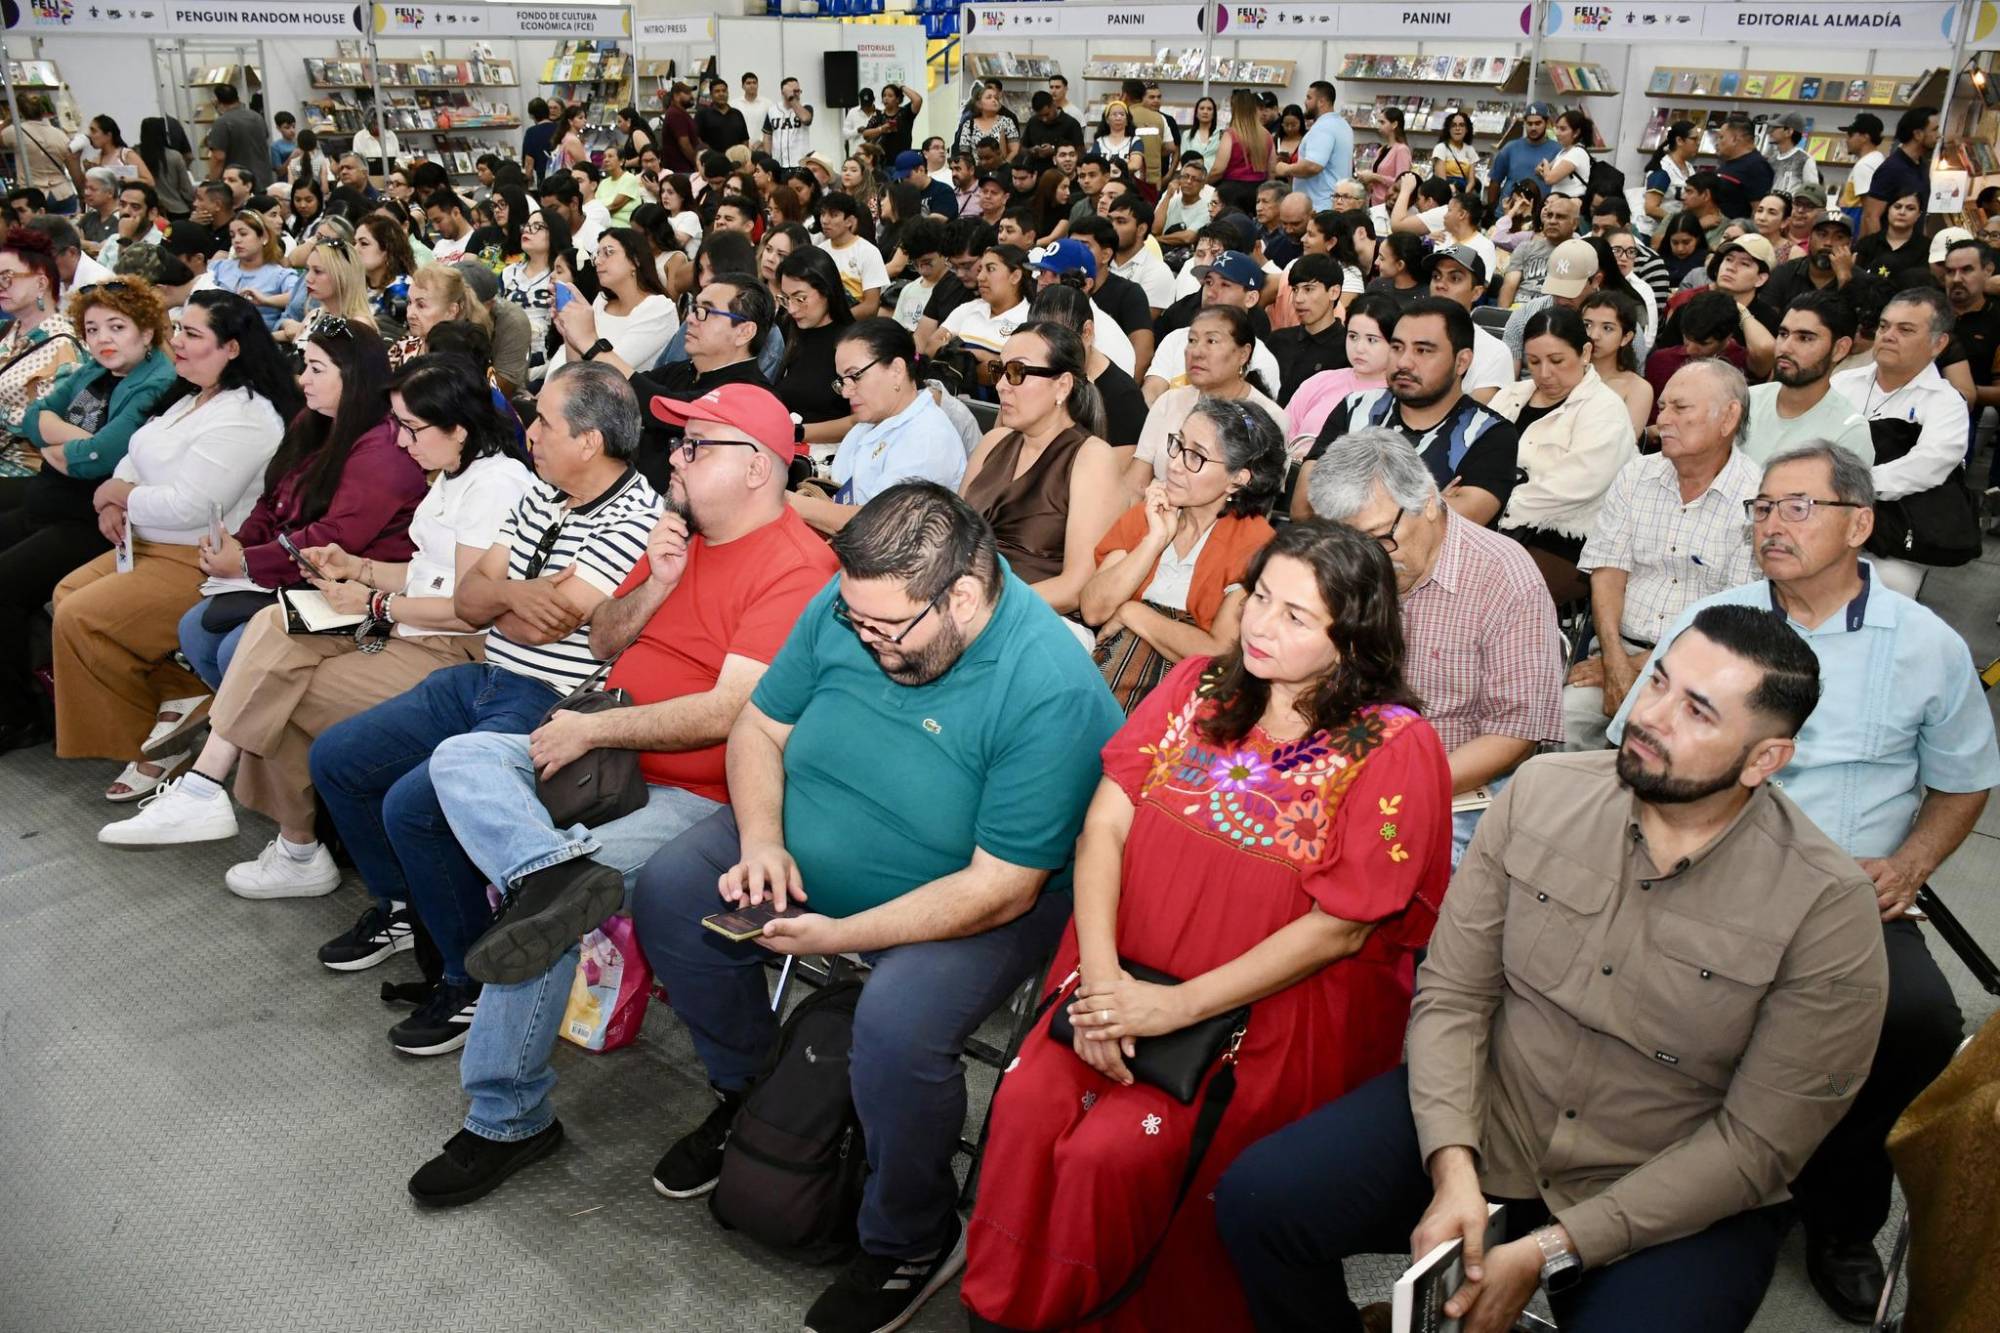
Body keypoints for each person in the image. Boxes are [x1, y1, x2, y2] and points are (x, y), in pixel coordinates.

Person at [1221, 600, 1890, 1333]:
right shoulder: (1543, 793)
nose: (1652, 715)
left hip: (1667, 1176)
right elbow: (1453, 994)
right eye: (1657, 681)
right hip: (1495, 1112)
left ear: (1765, 759)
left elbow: (1756, 1145)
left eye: (1698, 711)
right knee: (1260, 1200)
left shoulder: (1827, 908)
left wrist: (1550, 1247)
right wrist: (1451, 1167)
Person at [635, 482, 1121, 1333]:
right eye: (855, 620)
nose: (865, 639)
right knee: (674, 892)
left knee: (895, 1026)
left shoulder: (1052, 688)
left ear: (963, 596)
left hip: (972, 897)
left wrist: (841, 934)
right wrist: (760, 841)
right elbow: (759, 729)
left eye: (886, 630)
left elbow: (996, 886)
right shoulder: (859, 598)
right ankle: (758, 1095)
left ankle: (910, 1233)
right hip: (806, 839)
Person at [968, 516, 1451, 1330]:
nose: (1261, 624)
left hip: (1263, 1020)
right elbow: (1103, 831)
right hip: (1111, 977)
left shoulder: (1392, 746)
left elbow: (1340, 927)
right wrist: (1102, 983)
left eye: (1297, 616)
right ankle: (1008, 1310)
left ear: (1352, 638)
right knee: (1021, 1114)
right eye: (1261, 596)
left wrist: (1175, 1008)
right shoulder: (1199, 684)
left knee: (1116, 1154)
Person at [1609, 444, 1997, 1322]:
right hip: (1701, 872)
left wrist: (1912, 864)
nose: (1771, 525)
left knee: (1916, 1019)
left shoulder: (1923, 644)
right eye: (1762, 507)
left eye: (1797, 507)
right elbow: (1638, 745)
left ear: (1859, 524)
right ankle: (1657, 1187)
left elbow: (1965, 776)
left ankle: (1839, 1215)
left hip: (1846, 896)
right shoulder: (1716, 622)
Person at [307, 361, 660, 1053]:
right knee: (338, 759)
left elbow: (547, 624)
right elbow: (473, 603)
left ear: (589, 441)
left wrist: (504, 597)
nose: (528, 433)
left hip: (552, 700)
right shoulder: (545, 495)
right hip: (484, 677)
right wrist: (509, 598)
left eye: (545, 424)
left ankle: (471, 982)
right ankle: (406, 911)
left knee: (414, 804)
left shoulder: (636, 515)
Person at [96, 318, 431, 840]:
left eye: (317, 368)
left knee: (235, 647)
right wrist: (239, 548)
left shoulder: (384, 448)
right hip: (294, 578)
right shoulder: (311, 424)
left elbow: (333, 536)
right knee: (196, 629)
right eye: (304, 365)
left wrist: (248, 563)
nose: (303, 379)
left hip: (345, 588)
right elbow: (272, 504)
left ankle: (275, 804)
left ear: (353, 376)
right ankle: (262, 780)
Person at [48, 291, 301, 796]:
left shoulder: (247, 415)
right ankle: (183, 695)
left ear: (231, 348)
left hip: (200, 559)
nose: (177, 342)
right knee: (63, 599)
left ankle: (151, 748)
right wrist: (114, 501)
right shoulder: (189, 398)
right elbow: (138, 457)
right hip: (145, 543)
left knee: (83, 618)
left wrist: (120, 494)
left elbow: (193, 505)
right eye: (177, 330)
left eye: (191, 334)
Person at [1307, 425, 1560, 862]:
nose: (1369, 559)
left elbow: (1515, 735)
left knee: (1381, 868)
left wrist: (1399, 785)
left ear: (1427, 500)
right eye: (1350, 543)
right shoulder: (1349, 563)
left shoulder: (1505, 579)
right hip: (1344, 762)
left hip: (1452, 783)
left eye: (1380, 539)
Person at [0, 276, 177, 751]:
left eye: (117, 327)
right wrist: (70, 446)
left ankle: (19, 715)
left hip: (94, 522)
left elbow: (106, 454)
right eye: (93, 329)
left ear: (147, 331)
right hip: (51, 499)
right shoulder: (94, 372)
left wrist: (66, 446)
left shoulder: (157, 381)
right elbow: (33, 417)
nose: (103, 340)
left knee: (4, 585)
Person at [1562, 360, 1762, 752]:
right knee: (1564, 721)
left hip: (1704, 669)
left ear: (1729, 418)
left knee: (1662, 746)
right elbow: (1607, 571)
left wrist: (1631, 670)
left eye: (1680, 408)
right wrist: (1616, 660)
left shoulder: (1756, 498)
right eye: (1663, 407)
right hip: (1618, 647)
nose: (1662, 420)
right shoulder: (1636, 475)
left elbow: (1735, 616)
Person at [1081, 398, 1283, 710]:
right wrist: (1154, 540)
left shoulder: (1256, 545)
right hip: (1111, 664)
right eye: (1178, 445)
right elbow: (1093, 609)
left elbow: (1220, 654)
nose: (1174, 464)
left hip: (1190, 693)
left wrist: (1133, 613)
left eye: (1196, 457)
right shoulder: (1148, 513)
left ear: (1237, 479)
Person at [1295, 299, 1521, 527]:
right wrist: (1426, 504)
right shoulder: (1355, 407)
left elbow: (1454, 527)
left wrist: (1344, 495)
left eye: (1422, 350)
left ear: (1461, 362)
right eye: (1397, 347)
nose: (1404, 362)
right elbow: (1303, 506)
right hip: (1333, 558)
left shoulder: (1489, 434)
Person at [959, 321, 1124, 614]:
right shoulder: (993, 442)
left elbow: (1076, 586)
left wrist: (983, 608)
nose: (1000, 386)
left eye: (1017, 373)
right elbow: (950, 537)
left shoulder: (1091, 458)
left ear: (1062, 385)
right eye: (1000, 370)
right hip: (957, 599)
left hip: (1029, 616)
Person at [1828, 287, 1968, 596]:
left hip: (1892, 533)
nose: (1888, 335)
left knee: (1888, 591)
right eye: (1883, 326)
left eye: (1905, 329)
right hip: (1823, 513)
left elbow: (1927, 465)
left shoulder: (1946, 402)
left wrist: (1846, 488)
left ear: (1938, 343)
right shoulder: (1841, 382)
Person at [1488, 306, 1638, 587]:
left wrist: (1494, 505)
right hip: (1496, 521)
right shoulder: (1511, 397)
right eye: (1533, 362)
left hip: (1569, 536)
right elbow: (1473, 452)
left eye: (1557, 361)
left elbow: (1575, 484)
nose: (1544, 373)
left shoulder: (1605, 410)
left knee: (1491, 584)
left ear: (1584, 353)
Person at [790, 319, 965, 535]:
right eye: (842, 381)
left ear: (897, 370)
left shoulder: (928, 438)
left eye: (855, 376)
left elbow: (881, 526)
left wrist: (788, 503)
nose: (846, 392)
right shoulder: (869, 423)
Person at [1131, 303, 1287, 492]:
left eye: (1211, 341)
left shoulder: (1269, 419)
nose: (1196, 352)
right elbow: (1135, 485)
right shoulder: (1168, 402)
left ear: (1243, 354)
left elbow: (1260, 504)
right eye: (1192, 340)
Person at [1743, 290, 1874, 466]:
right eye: (1783, 334)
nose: (1785, 347)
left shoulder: (1848, 432)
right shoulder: (1746, 400)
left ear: (1839, 349)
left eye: (1804, 338)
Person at [547, 226, 676, 378]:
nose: (598, 261)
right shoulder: (601, 301)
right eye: (597, 254)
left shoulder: (659, 308)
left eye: (609, 253)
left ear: (635, 260)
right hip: (585, 393)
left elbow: (609, 373)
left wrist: (583, 336)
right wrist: (569, 332)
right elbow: (575, 367)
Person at [770, 245, 858, 455]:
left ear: (826, 291)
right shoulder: (787, 329)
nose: (791, 309)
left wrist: (798, 432)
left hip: (828, 455)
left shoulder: (853, 343)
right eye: (785, 298)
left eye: (800, 298)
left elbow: (861, 419)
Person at [0, 229, 81, 439]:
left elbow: (50, 421)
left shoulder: (63, 345)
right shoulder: (8, 330)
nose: (1, 286)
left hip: (23, 462)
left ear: (41, 283)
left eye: (7, 277)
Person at [1287, 291, 1397, 441]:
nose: (1359, 348)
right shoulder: (1320, 381)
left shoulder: (1399, 397)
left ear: (1394, 343)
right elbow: (1283, 434)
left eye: (1371, 340)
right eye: (1353, 336)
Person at [1267, 254, 1348, 405]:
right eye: (1295, 290)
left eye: (1308, 289)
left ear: (1334, 292)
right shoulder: (1277, 340)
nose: (1298, 299)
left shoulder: (1348, 350)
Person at [1580, 289, 1655, 436]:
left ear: (1626, 338)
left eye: (1607, 328)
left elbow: (1624, 444)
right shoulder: (1565, 374)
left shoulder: (1637, 388)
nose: (1594, 335)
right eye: (1587, 325)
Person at [207, 211, 298, 332]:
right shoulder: (219, 267)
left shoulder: (280, 275)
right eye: (232, 235)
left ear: (263, 237)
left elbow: (298, 296)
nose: (236, 240)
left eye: (243, 234)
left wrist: (266, 300)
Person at [1862, 106, 1937, 238]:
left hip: (1913, 251)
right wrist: (1882, 252)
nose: (1939, 135)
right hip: (1890, 252)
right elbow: (1871, 217)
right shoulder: (1892, 168)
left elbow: (1921, 215)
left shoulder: (1922, 165)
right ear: (1918, 134)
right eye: (1935, 130)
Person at [1496, 191, 1580, 308]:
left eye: (1560, 217)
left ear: (1574, 224)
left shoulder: (1581, 251)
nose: (1552, 221)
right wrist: (1503, 319)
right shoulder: (1526, 247)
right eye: (1549, 215)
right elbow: (1509, 286)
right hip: (1519, 308)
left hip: (1553, 314)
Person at [813, 190, 888, 320]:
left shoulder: (868, 252)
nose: (825, 220)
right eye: (823, 214)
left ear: (850, 221)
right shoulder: (819, 251)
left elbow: (871, 306)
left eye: (833, 215)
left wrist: (835, 320)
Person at [1210, 89, 1277, 215]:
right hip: (1258, 189)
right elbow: (1272, 169)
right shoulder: (1266, 135)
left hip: (1231, 192)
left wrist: (1204, 183)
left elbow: (1218, 170)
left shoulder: (1231, 134)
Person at [202, 82, 272, 190]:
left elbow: (218, 157)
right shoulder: (257, 117)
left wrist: (212, 184)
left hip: (237, 183)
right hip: (263, 179)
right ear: (237, 97)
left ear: (217, 101)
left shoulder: (222, 122)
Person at [1641, 119, 1698, 241]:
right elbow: (1650, 208)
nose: (1697, 143)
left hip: (1675, 233)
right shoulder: (1662, 169)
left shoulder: (1690, 168)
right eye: (1694, 139)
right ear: (1679, 141)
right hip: (1653, 234)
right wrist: (1678, 221)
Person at [1711, 114, 1774, 221]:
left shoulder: (1757, 166)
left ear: (1735, 139)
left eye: (1721, 137)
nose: (1717, 143)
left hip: (1737, 233)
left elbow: (1759, 211)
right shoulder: (1728, 161)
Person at [1839, 112, 1886, 230]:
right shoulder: (1878, 159)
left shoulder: (1865, 165)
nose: (1846, 140)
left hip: (1856, 231)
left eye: (1850, 134)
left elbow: (1869, 214)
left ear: (1865, 137)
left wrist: (1863, 244)